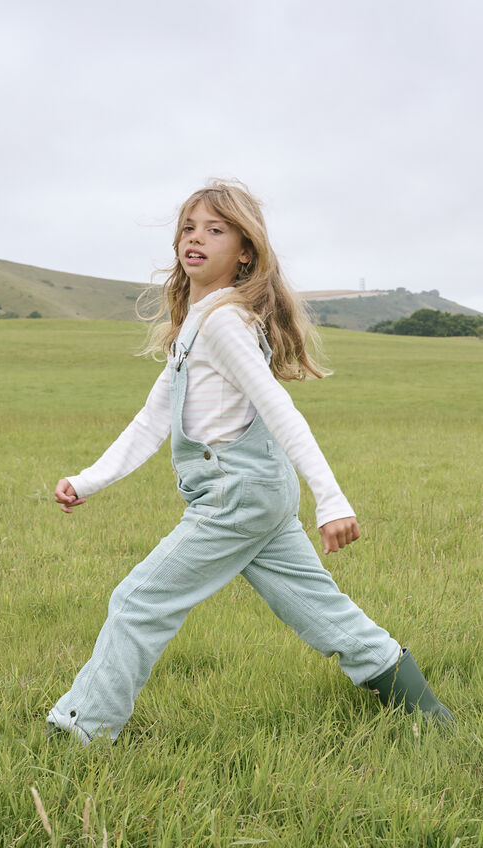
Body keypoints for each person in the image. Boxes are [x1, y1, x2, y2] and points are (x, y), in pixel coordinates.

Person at [48, 180, 452, 744]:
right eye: (189, 228)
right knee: (321, 610)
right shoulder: (196, 324)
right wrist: (88, 480)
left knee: (139, 601)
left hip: (235, 495)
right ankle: (431, 718)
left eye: (215, 229)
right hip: (255, 493)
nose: (196, 238)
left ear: (245, 252)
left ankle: (80, 730)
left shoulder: (223, 323)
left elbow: (278, 408)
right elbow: (152, 418)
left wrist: (332, 500)